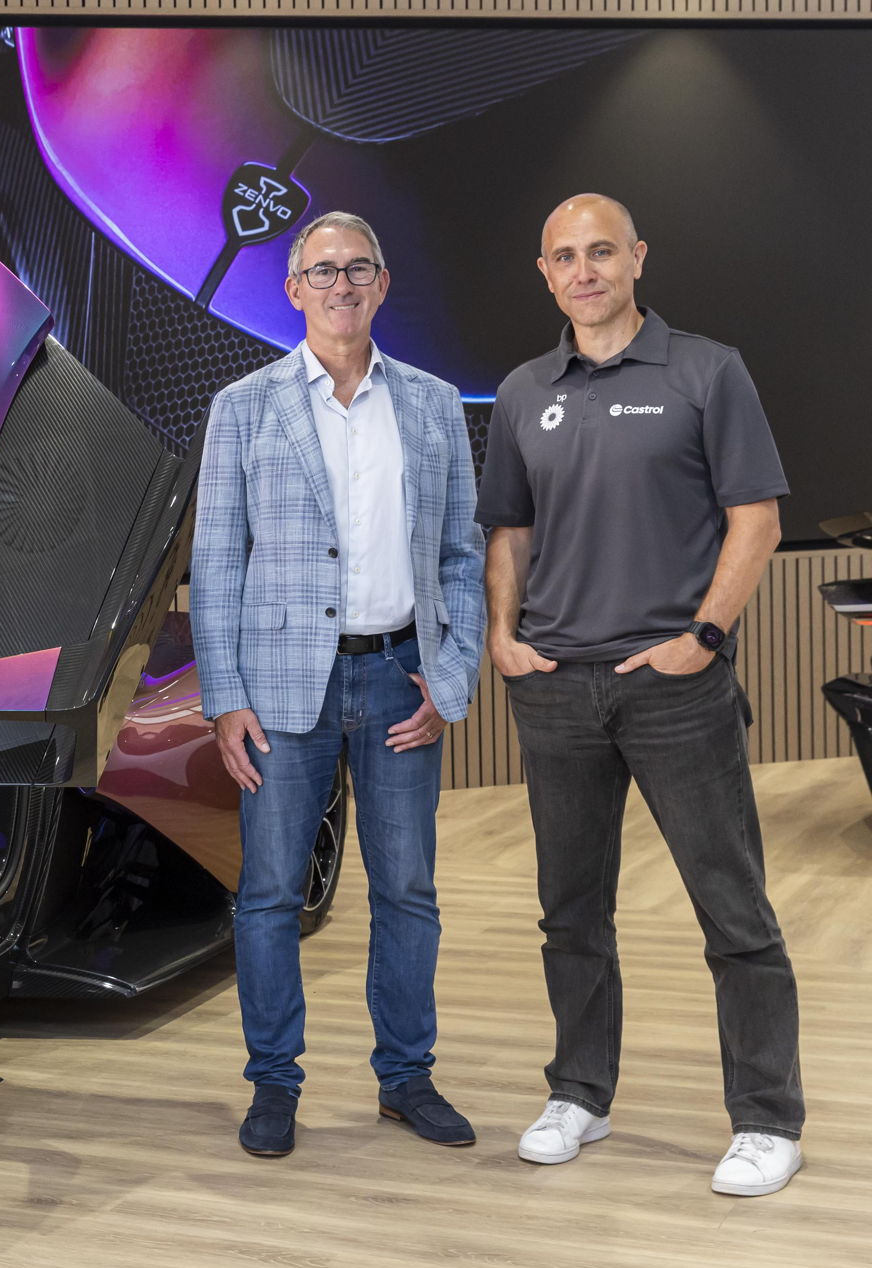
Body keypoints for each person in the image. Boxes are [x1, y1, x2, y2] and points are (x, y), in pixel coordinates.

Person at [478, 194, 803, 1196]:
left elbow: (755, 520)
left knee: (731, 907)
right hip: (554, 690)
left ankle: (767, 1118)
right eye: (564, 257)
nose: (583, 271)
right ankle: (578, 1092)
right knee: (570, 912)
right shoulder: (521, 390)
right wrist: (501, 634)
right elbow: (510, 531)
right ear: (545, 273)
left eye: (601, 252)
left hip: (673, 691)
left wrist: (701, 639)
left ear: (636, 259)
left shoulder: (706, 370)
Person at [190, 211, 486, 1158]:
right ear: (293, 290)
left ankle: (406, 1077)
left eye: (359, 267)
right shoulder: (244, 406)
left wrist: (451, 675)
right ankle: (273, 1083)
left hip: (401, 678)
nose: (341, 284)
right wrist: (224, 697)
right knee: (271, 895)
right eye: (322, 270)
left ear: (384, 283)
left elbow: (462, 554)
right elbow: (215, 562)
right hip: (282, 691)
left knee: (407, 892)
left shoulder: (434, 403)